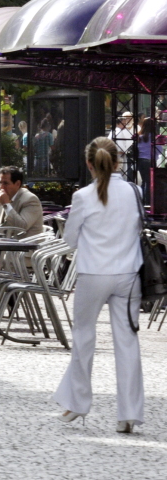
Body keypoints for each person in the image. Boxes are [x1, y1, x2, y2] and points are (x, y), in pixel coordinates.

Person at [55, 137, 145, 433]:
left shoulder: (83, 196)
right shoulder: (134, 191)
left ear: (89, 164)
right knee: (127, 341)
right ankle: (128, 413)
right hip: (128, 273)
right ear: (118, 159)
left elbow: (69, 240)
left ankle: (77, 402)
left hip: (94, 272)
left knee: (84, 336)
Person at [0, 165, 42, 241]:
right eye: (0, 183)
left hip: (24, 249)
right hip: (4, 247)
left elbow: (21, 227)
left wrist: (6, 205)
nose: (1, 187)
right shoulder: (1, 199)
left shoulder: (30, 200)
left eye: (6, 183)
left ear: (17, 184)